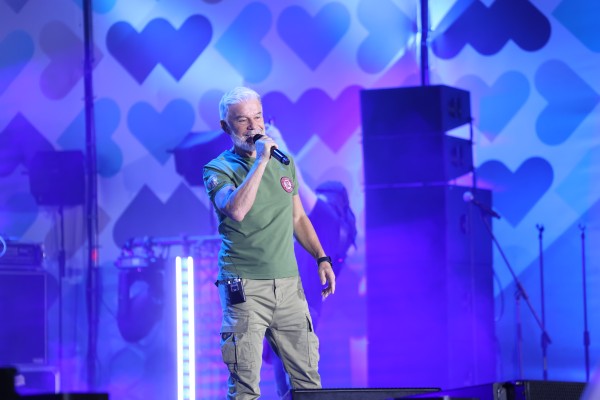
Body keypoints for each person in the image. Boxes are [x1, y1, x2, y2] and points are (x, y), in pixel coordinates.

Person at [202, 86, 336, 399]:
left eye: (258, 117)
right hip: (244, 287)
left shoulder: (284, 163)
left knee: (308, 382)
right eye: (243, 120)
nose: (254, 127)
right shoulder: (218, 169)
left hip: (288, 286)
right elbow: (236, 210)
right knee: (245, 387)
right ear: (226, 126)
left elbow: (298, 218)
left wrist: (321, 257)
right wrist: (261, 162)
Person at [263, 125, 357, 399]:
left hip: (296, 311)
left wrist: (279, 144)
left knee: (295, 387)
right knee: (289, 388)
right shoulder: (335, 229)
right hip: (294, 309)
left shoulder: (327, 218)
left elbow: (298, 185)